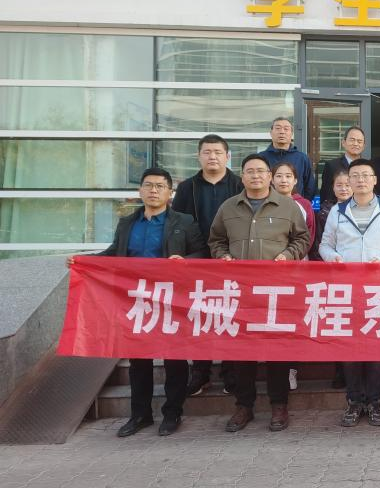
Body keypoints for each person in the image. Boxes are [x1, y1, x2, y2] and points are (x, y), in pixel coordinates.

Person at [68, 168, 207, 437]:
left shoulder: (184, 221)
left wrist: (185, 260)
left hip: (170, 299)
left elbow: (202, 252)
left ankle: (172, 413)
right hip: (135, 301)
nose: (153, 191)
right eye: (148, 185)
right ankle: (140, 414)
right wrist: (84, 261)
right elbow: (113, 254)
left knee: (174, 359)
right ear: (140, 190)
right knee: (138, 361)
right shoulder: (127, 223)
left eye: (160, 186)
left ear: (169, 193)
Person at [209, 154, 311, 433]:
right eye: (250, 171)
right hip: (240, 291)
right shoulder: (229, 207)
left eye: (261, 171)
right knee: (242, 351)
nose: (255, 176)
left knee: (277, 351)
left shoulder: (288, 206)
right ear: (242, 177)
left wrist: (288, 255)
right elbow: (216, 239)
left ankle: (279, 405)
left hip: (276, 291)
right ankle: (244, 406)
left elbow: (303, 238)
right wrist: (222, 255)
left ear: (269, 176)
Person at [318, 159, 380, 427]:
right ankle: (354, 401)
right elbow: (325, 244)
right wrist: (332, 257)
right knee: (350, 347)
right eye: (355, 176)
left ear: (375, 180)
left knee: (376, 348)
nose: (360, 180)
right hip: (347, 289)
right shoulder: (338, 211)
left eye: (366, 175)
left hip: (379, 289)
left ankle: (376, 402)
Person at [171, 134, 242, 398]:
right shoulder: (187, 187)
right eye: (207, 152)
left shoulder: (239, 184)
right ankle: (200, 372)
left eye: (218, 152)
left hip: (232, 261)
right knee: (199, 317)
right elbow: (176, 223)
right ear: (198, 156)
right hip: (197, 261)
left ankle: (231, 372)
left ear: (227, 156)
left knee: (231, 316)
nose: (212, 157)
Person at [272, 161, 316, 393]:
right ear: (271, 179)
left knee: (294, 319)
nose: (283, 180)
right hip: (269, 273)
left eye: (288, 176)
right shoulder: (264, 202)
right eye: (279, 176)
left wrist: (290, 256)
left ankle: (291, 368)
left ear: (296, 180)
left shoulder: (304, 204)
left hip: (297, 269)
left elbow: (309, 236)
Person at [309, 168, 350, 389]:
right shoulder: (324, 212)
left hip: (359, 277)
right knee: (338, 325)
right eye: (339, 185)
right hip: (333, 276)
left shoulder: (367, 210)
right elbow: (318, 245)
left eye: (347, 184)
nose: (344, 189)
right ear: (332, 188)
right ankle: (340, 371)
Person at [258, 116, 317, 200]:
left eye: (286, 129)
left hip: (295, 204)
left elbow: (310, 187)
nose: (282, 132)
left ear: (291, 133)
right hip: (267, 204)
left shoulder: (302, 158)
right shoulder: (261, 158)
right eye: (278, 128)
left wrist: (302, 203)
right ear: (271, 133)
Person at [320, 125, 365, 203]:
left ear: (363, 146)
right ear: (343, 143)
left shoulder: (368, 167)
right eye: (352, 140)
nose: (356, 144)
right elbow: (326, 194)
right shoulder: (331, 166)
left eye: (359, 141)